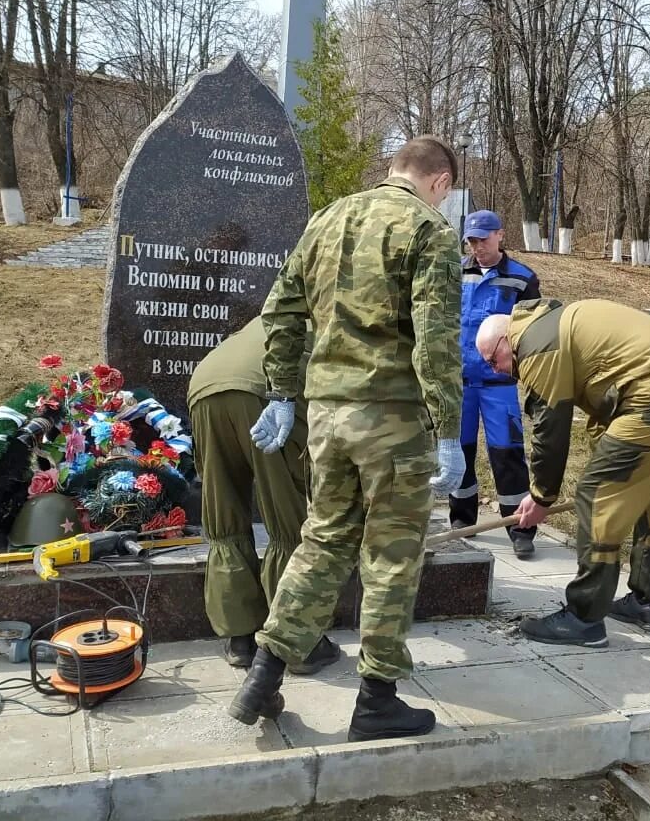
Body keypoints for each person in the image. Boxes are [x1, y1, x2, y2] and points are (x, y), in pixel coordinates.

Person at [227, 136, 465, 743]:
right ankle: (377, 700)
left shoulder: (327, 218)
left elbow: (280, 311)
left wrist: (283, 393)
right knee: (390, 556)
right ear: (439, 181)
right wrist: (448, 429)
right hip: (394, 420)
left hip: (327, 416)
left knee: (322, 541)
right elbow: (435, 338)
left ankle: (263, 673)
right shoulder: (430, 230)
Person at [475, 299, 650, 647]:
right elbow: (601, 418)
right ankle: (648, 602)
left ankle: (583, 618)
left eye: (493, 359)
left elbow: (550, 427)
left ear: (506, 340)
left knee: (596, 498)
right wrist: (609, 469)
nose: (496, 369)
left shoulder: (534, 342)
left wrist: (541, 496)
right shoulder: (560, 327)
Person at [186, 317, 339, 673]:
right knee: (288, 518)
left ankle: (239, 639)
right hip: (267, 395)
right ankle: (298, 642)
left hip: (206, 388)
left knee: (224, 515)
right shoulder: (342, 317)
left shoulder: (280, 311)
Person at [449, 209, 542, 560]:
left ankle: (520, 528)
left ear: (500, 235)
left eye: (483, 239)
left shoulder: (522, 278)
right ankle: (461, 519)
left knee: (508, 455)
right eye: (471, 241)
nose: (477, 247)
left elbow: (532, 333)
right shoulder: (455, 272)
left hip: (500, 383)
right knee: (460, 452)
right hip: (460, 383)